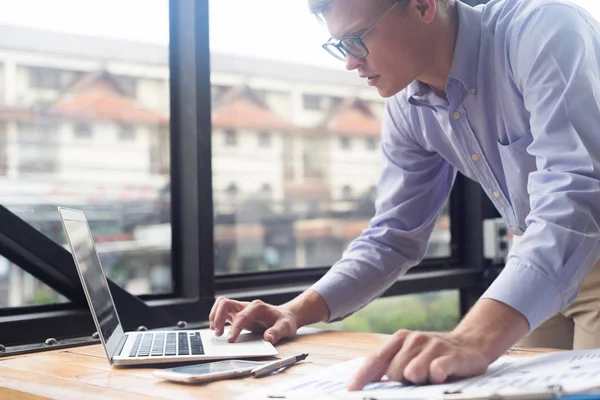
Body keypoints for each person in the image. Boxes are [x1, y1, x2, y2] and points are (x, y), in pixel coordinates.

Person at [210, 0, 600, 390]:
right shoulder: (406, 105)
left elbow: (576, 193)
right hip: (532, 270)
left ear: (423, 5)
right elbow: (394, 234)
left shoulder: (543, 32)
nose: (350, 62)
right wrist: (294, 311)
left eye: (358, 39)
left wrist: (474, 336)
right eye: (340, 45)